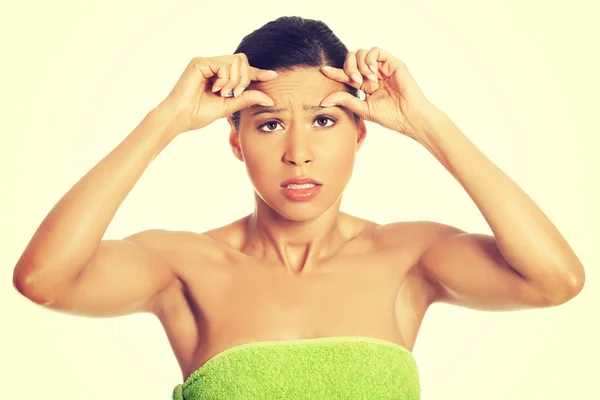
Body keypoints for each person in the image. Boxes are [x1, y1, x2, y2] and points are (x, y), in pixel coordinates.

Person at [12, 16, 585, 400]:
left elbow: (556, 280)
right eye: (269, 124)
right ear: (235, 140)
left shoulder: (409, 257)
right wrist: (165, 121)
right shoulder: (183, 264)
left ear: (360, 133)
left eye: (324, 120)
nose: (299, 153)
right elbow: (43, 279)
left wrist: (428, 124)